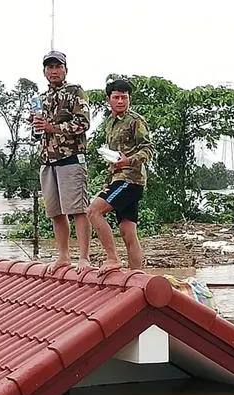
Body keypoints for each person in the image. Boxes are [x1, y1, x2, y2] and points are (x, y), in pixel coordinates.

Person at [31, 50, 92, 273]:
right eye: (50, 67)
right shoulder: (40, 98)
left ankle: (84, 258)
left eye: (58, 67)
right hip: (47, 160)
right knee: (55, 212)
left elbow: (83, 124)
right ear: (44, 71)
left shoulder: (76, 92)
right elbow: (37, 133)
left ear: (65, 69)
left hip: (71, 158)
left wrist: (53, 127)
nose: (54, 71)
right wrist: (37, 125)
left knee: (78, 209)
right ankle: (63, 256)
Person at [87, 79, 153, 275]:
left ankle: (112, 258)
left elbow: (148, 149)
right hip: (117, 179)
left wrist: (128, 161)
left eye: (124, 97)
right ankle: (136, 276)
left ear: (129, 99)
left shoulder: (136, 121)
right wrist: (108, 181)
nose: (121, 101)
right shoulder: (109, 123)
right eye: (116, 97)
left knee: (93, 211)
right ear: (109, 100)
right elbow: (112, 156)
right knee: (127, 231)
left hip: (130, 180)